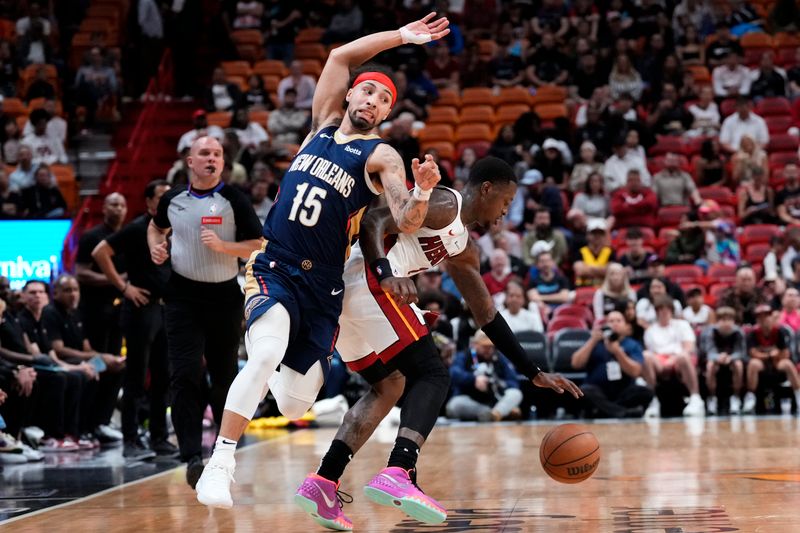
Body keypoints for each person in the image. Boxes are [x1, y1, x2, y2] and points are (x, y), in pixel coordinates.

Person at [195, 14, 450, 507]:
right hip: (276, 267)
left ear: (384, 115)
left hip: (323, 289)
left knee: (295, 404)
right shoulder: (319, 129)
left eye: (384, 100)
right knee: (265, 352)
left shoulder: (381, 157)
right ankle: (220, 461)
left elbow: (408, 218)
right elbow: (339, 56)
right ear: (350, 96)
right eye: (368, 92)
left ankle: (272, 361)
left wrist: (421, 191)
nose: (373, 102)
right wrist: (401, 37)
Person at [295, 157, 580, 528]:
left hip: (351, 298)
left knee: (389, 386)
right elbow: (374, 219)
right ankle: (400, 470)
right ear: (486, 188)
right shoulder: (446, 204)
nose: (507, 210)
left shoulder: (463, 247)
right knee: (433, 374)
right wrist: (385, 274)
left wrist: (533, 372)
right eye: (506, 200)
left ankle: (323, 480)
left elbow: (487, 315)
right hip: (368, 279)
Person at [148, 134, 263, 486]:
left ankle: (221, 452)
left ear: (223, 163)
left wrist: (224, 246)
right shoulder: (172, 199)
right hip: (182, 298)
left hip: (224, 297)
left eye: (217, 154)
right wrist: (156, 248)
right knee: (184, 375)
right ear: (190, 161)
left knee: (223, 376)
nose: (211, 158)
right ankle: (191, 456)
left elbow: (258, 245)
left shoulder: (234, 200)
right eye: (204, 153)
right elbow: (156, 227)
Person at [92, 180, 175, 459]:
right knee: (137, 377)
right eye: (161, 198)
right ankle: (131, 441)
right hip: (140, 309)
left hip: (165, 310)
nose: (166, 202)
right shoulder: (137, 228)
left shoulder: (172, 229)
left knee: (163, 377)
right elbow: (100, 252)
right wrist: (124, 287)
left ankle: (159, 438)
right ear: (149, 203)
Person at [42, 275, 126, 445]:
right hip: (62, 362)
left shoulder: (76, 313)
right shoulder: (51, 312)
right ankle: (81, 428)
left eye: (75, 290)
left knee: (117, 368)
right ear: (55, 293)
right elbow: (59, 350)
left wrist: (107, 359)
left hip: (80, 360)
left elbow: (86, 348)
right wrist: (99, 358)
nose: (73, 294)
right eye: (67, 290)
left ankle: (100, 423)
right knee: (90, 371)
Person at [571, 311, 653, 418]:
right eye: (611, 321)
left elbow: (635, 372)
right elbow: (575, 364)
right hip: (598, 390)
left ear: (626, 326)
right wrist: (592, 340)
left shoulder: (632, 344)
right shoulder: (595, 343)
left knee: (646, 392)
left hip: (623, 391)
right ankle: (622, 412)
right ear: (605, 325)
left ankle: (603, 411)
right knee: (584, 391)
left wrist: (618, 352)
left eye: (619, 321)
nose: (615, 323)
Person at [75, 193, 127, 358]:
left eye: (122, 205)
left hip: (120, 307)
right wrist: (116, 280)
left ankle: (115, 385)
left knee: (117, 353)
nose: (118, 209)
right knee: (99, 355)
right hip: (95, 307)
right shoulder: (91, 236)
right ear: (104, 208)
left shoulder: (128, 235)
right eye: (114, 205)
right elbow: (81, 273)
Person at [642, 295, 704, 417]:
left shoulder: (682, 325)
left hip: (679, 358)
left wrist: (673, 359)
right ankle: (652, 400)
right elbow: (652, 352)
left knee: (683, 356)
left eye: (666, 309)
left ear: (671, 311)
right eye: (660, 309)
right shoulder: (650, 330)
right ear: (656, 312)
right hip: (659, 360)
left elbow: (689, 347)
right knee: (645, 356)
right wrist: (662, 361)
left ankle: (695, 398)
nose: (663, 312)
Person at [744, 304, 800, 414]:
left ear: (772, 317)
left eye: (766, 316)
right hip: (762, 365)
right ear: (757, 319)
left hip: (778, 364)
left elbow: (786, 353)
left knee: (787, 364)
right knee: (753, 364)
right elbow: (753, 353)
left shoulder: (781, 331)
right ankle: (750, 397)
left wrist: (771, 355)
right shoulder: (752, 333)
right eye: (760, 317)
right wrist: (770, 355)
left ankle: (798, 395)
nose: (764, 319)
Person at [699, 306, 746, 415]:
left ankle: (736, 397)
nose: (726, 323)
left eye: (729, 320)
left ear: (734, 321)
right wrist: (718, 357)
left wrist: (730, 357)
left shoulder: (739, 333)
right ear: (717, 321)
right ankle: (712, 398)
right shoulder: (710, 332)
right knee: (710, 365)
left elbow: (741, 352)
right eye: (723, 320)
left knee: (738, 364)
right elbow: (709, 351)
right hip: (716, 360)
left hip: (732, 360)